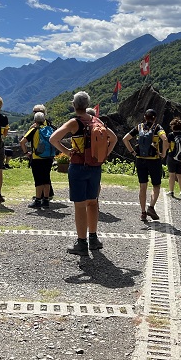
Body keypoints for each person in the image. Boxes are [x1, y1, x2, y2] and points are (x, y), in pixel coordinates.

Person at [49, 91, 117, 255]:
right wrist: (103, 155)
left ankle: (81, 243)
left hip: (78, 167)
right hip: (95, 167)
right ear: (87, 105)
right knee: (93, 202)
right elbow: (114, 138)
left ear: (74, 105)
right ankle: (93, 239)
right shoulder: (96, 120)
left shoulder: (74, 122)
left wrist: (67, 152)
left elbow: (53, 139)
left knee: (80, 206)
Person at [122, 109, 168, 223]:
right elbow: (165, 139)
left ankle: (143, 213)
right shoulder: (157, 127)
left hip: (140, 160)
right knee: (156, 186)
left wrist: (133, 153)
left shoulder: (139, 127)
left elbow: (125, 139)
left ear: (144, 117)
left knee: (143, 186)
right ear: (155, 118)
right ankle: (151, 207)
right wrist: (163, 153)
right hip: (154, 161)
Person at [20, 111, 54, 209]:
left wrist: (26, 153)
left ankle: (38, 200)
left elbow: (22, 142)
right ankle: (46, 200)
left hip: (37, 158)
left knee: (38, 179)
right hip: (48, 158)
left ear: (35, 120)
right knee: (46, 178)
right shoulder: (49, 129)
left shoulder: (34, 130)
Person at [166, 117, 181, 199]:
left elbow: (168, 145)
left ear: (173, 126)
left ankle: (171, 191)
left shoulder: (171, 135)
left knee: (172, 175)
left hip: (172, 157)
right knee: (180, 175)